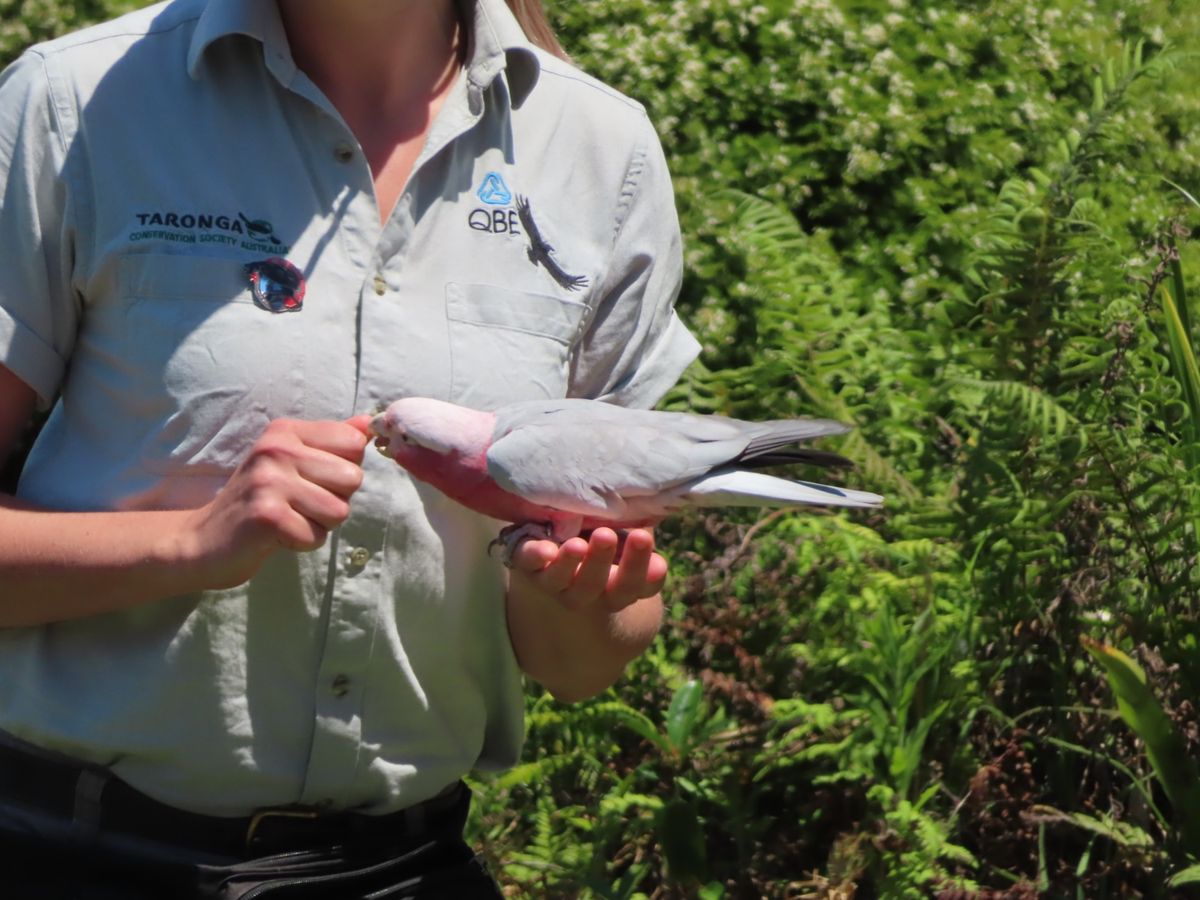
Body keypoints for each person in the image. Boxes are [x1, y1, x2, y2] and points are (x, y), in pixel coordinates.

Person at [0, 0, 700, 895]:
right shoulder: (73, 101)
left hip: (407, 867)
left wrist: (576, 595)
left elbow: (580, 666)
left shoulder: (603, 149)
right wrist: (186, 544)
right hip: (78, 858)